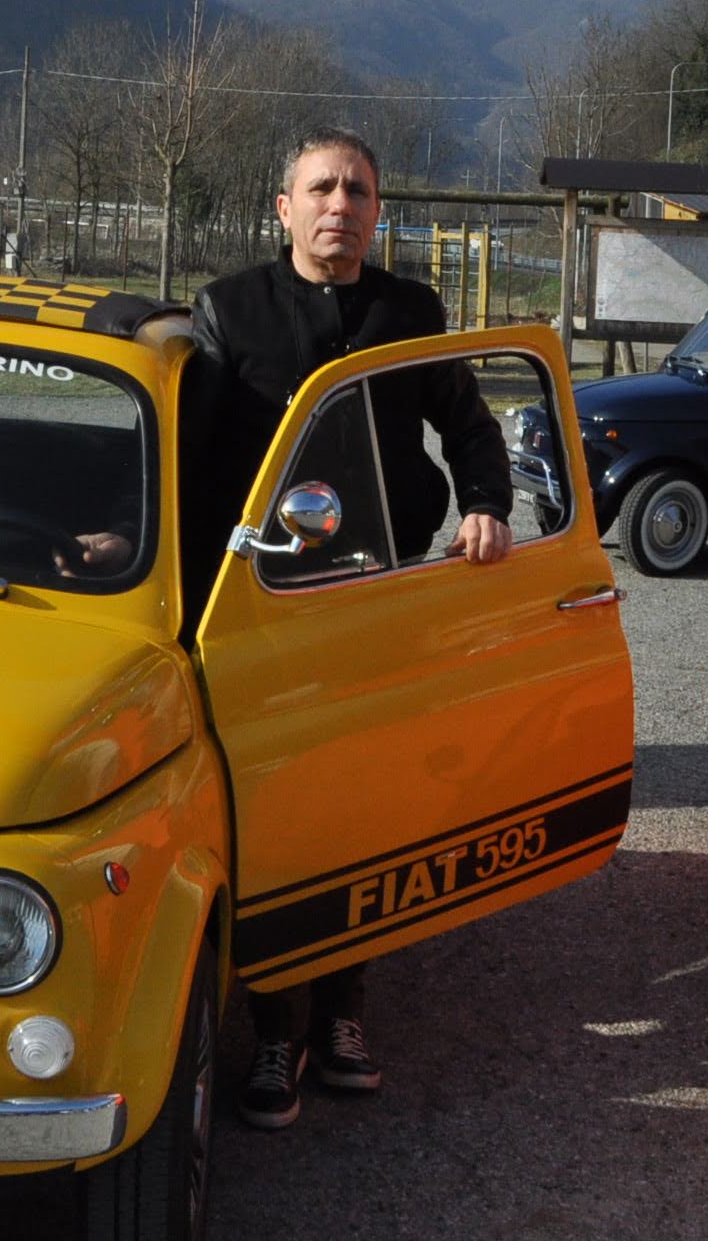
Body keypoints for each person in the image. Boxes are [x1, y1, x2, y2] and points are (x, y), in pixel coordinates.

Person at [180, 126, 514, 1132]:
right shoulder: (227, 310)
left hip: (380, 600)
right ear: (284, 207)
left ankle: (343, 1017)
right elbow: (188, 459)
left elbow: (469, 424)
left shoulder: (412, 312)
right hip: (268, 609)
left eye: (358, 191)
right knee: (278, 813)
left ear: (377, 211)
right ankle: (273, 1028)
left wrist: (486, 504)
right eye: (321, 188)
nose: (341, 205)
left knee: (364, 808)